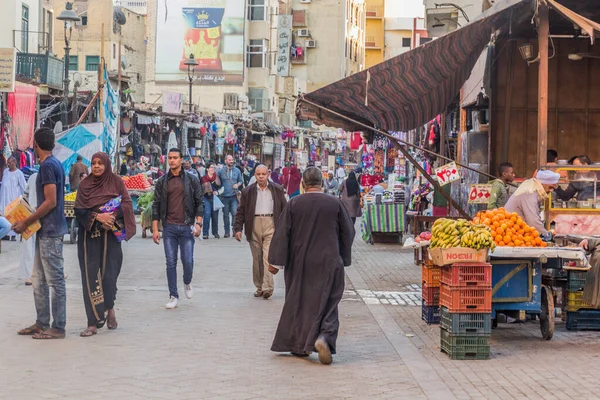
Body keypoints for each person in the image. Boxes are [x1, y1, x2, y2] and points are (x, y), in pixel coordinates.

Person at [268, 167, 355, 364]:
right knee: (329, 303)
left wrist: (276, 261)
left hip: (300, 263)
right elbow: (348, 232)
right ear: (322, 183)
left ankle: (301, 346)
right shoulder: (335, 203)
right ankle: (324, 336)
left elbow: (283, 233)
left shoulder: (294, 203)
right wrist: (343, 256)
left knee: (300, 302)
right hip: (329, 260)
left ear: (303, 184)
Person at [74, 153, 136, 337]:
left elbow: (126, 203)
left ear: (107, 165)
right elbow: (79, 210)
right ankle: (92, 321)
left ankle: (110, 309)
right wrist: (97, 217)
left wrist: (112, 217)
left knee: (109, 276)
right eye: (93, 163)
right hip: (89, 238)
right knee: (90, 276)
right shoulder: (85, 185)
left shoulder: (116, 182)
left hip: (110, 235)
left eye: (101, 163)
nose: (97, 167)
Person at [15, 127, 68, 339]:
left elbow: (50, 201)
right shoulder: (54, 164)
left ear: (36, 145)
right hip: (46, 230)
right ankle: (42, 321)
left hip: (50, 230)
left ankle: (58, 327)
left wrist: (26, 221)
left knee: (54, 280)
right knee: (38, 278)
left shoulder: (47, 166)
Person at [152, 148, 203, 309]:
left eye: (175, 158)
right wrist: (155, 229)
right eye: (170, 158)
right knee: (170, 262)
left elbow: (199, 202)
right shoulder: (162, 182)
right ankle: (173, 295)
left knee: (187, 261)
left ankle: (187, 282)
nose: (172, 160)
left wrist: (198, 223)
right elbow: (156, 205)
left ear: (181, 160)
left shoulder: (192, 180)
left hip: (187, 226)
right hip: (169, 227)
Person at [234, 165, 287, 299]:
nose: (261, 177)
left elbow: (285, 209)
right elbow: (241, 211)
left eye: (263, 174)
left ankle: (267, 287)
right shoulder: (248, 191)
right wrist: (238, 229)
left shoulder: (277, 189)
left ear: (268, 174)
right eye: (258, 174)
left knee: (268, 257)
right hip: (254, 225)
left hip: (271, 224)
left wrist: (285, 229)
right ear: (255, 176)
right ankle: (259, 287)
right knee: (257, 259)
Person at [504, 170, 560, 239]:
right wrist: (547, 235)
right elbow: (533, 222)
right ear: (542, 184)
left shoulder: (531, 188)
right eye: (550, 187)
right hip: (509, 233)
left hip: (514, 232)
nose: (551, 191)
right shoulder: (530, 193)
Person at [0, 156, 27, 240]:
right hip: (4, 199)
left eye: (10, 162)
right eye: (7, 162)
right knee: (4, 216)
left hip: (13, 200)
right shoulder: (5, 172)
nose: (8, 164)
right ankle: (6, 234)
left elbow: (24, 187)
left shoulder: (19, 173)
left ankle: (13, 235)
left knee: (13, 217)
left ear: (15, 162)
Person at [217, 154, 243, 238]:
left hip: (234, 196)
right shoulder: (221, 171)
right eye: (229, 160)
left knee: (235, 213)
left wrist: (237, 185)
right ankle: (226, 232)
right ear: (225, 161)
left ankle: (234, 230)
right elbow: (217, 182)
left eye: (232, 160)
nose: (231, 161)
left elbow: (241, 181)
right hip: (224, 197)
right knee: (225, 215)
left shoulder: (237, 170)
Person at [20, 172, 38, 285]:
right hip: (31, 215)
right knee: (29, 245)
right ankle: (29, 275)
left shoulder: (34, 177)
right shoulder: (33, 177)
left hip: (39, 215)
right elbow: (25, 195)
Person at [201, 162, 221, 240]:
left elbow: (222, 187)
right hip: (206, 198)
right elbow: (201, 189)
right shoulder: (203, 178)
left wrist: (218, 192)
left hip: (215, 198)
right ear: (207, 169)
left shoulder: (217, 178)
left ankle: (215, 232)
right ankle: (205, 233)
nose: (213, 169)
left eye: (214, 167)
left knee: (215, 217)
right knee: (207, 215)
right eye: (211, 167)